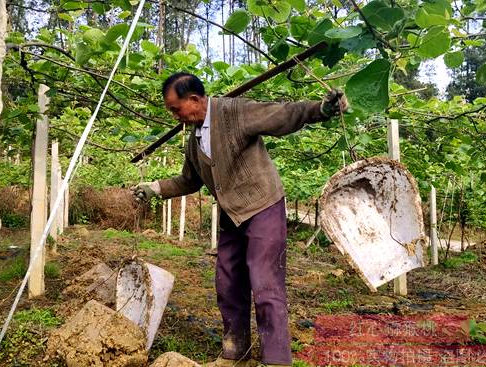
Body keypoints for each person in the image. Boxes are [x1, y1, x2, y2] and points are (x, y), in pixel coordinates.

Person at [133, 72, 348, 366]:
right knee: (228, 282)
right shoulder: (193, 140)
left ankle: (276, 360)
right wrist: (155, 188)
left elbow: (281, 115)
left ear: (194, 100)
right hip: (231, 214)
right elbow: (189, 181)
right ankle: (236, 352)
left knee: (264, 281)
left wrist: (320, 110)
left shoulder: (234, 111)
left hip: (262, 205)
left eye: (175, 108)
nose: (174, 116)